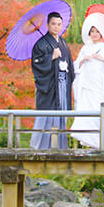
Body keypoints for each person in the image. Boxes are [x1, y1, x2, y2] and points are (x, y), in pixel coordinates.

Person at [70, 12, 104, 148]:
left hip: (99, 88)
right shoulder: (85, 48)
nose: (94, 34)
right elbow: (75, 66)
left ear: (101, 33)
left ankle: (100, 143)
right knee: (86, 113)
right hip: (87, 87)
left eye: (97, 31)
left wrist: (102, 59)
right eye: (92, 31)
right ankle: (88, 141)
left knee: (98, 113)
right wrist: (83, 60)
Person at [30, 12, 75, 149]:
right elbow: (37, 64)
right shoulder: (41, 44)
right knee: (46, 115)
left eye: (59, 24)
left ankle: (59, 147)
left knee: (60, 114)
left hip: (62, 84)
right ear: (48, 25)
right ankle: (40, 148)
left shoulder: (62, 43)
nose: (56, 27)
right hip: (49, 87)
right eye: (53, 24)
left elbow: (70, 64)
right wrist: (51, 57)